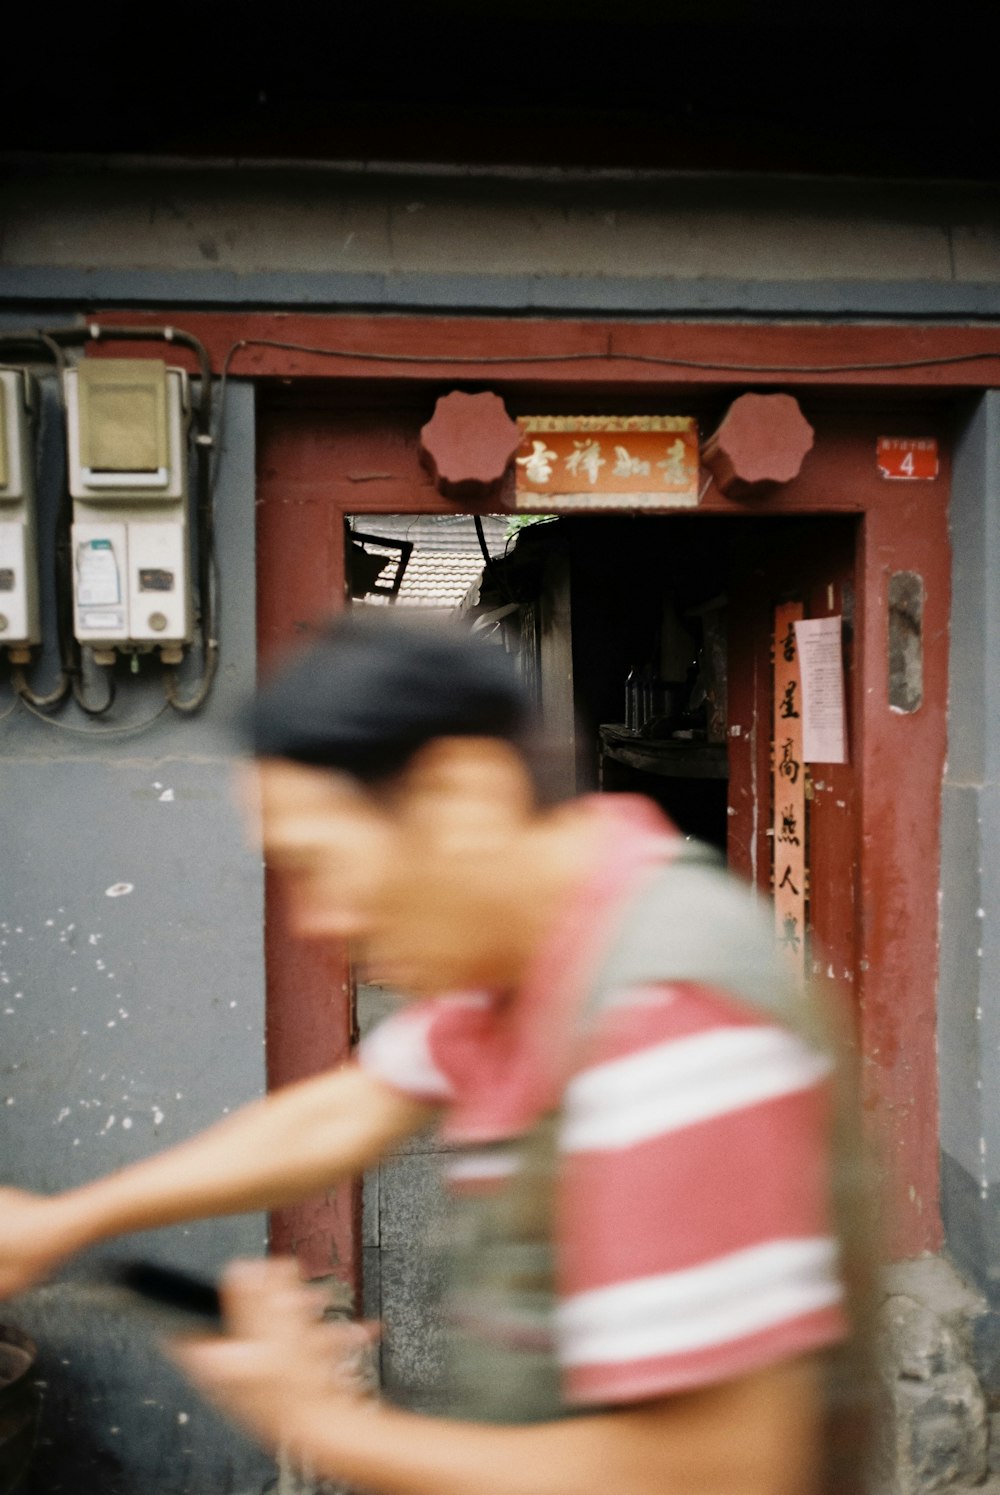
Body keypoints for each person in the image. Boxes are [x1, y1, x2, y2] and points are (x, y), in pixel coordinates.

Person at [0, 612, 867, 1495]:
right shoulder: (544, 947)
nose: (319, 919)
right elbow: (347, 1108)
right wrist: (69, 1222)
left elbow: (717, 1474)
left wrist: (323, 1427)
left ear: (462, 796)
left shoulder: (664, 1024)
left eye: (321, 863)